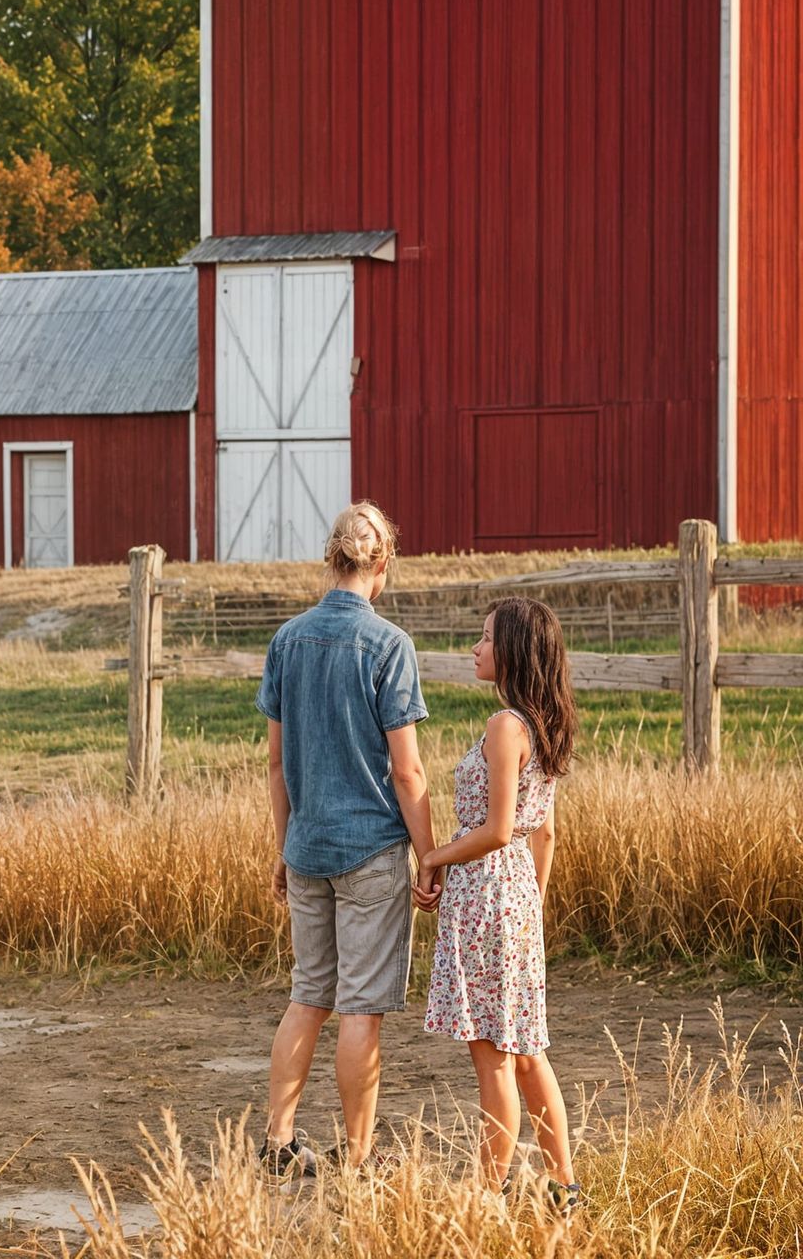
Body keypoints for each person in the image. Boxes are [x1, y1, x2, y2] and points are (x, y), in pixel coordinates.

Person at [257, 501, 436, 1180]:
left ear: (331, 559)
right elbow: (407, 768)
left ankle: (277, 1139)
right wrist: (428, 853)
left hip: (306, 849)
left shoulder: (287, 641)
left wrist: (284, 845)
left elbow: (275, 763)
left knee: (309, 995)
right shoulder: (388, 646)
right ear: (382, 564)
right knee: (361, 1006)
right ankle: (359, 1156)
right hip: (370, 852)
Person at [417, 596, 581, 1212]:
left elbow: (495, 827)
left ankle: (488, 1192)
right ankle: (563, 1185)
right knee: (527, 1050)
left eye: (485, 638)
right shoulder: (544, 724)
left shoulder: (505, 726)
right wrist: (530, 907)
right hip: (515, 896)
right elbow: (545, 834)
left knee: (493, 1060)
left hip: (486, 893)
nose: (475, 648)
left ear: (509, 650)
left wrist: (432, 857)